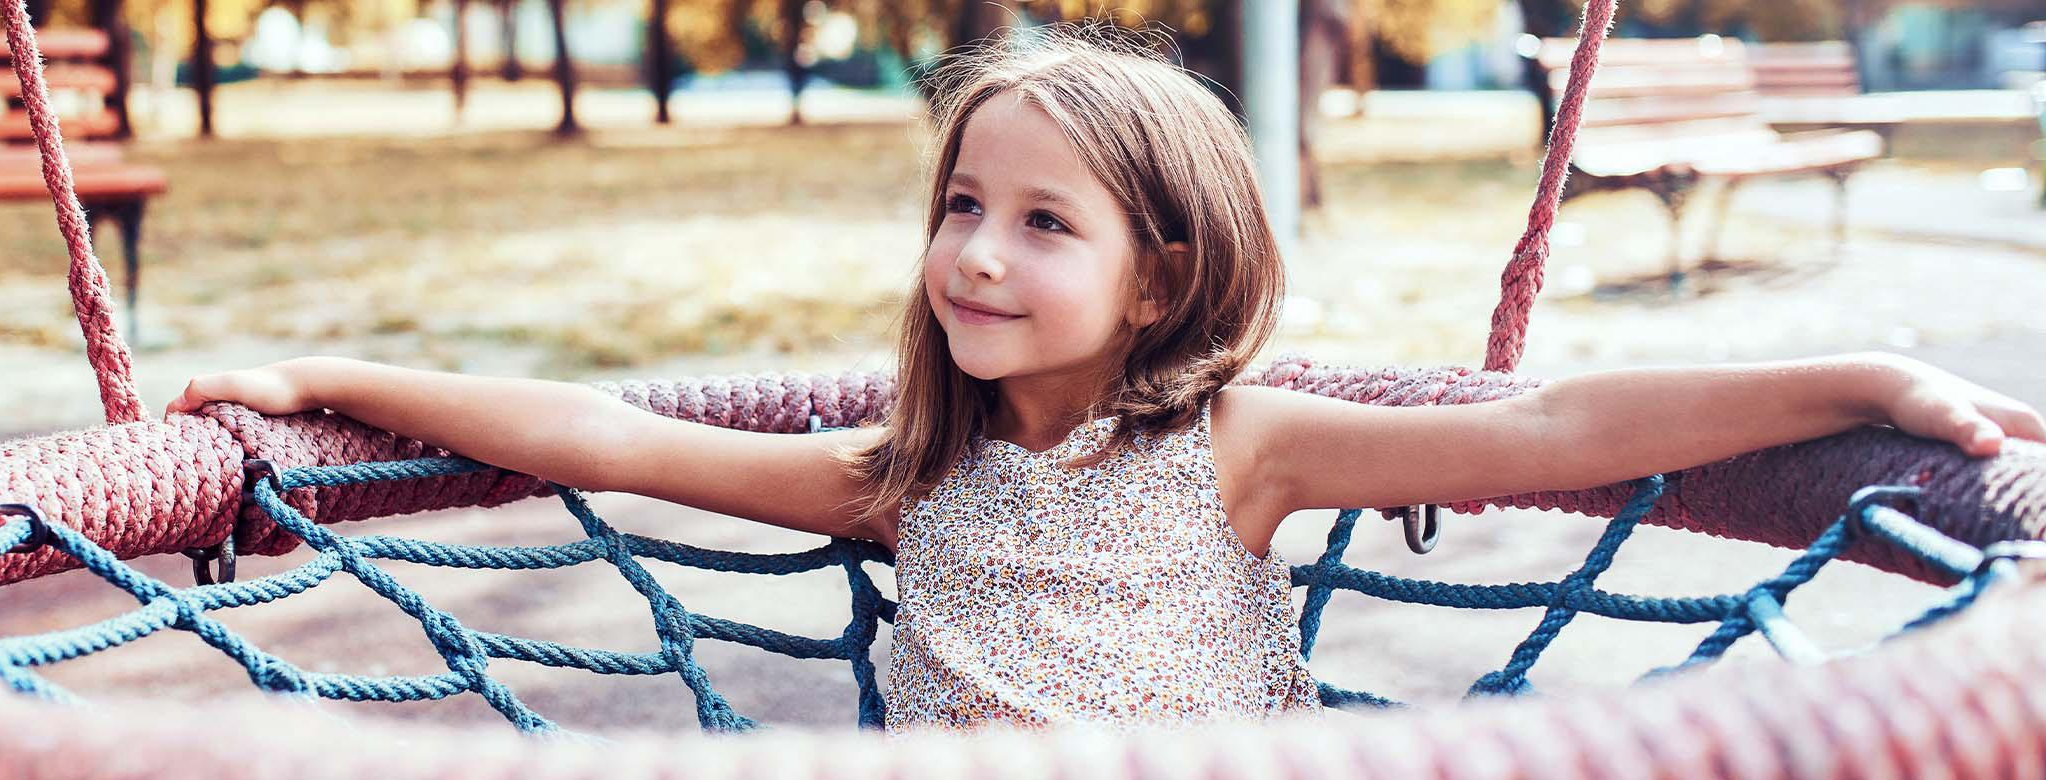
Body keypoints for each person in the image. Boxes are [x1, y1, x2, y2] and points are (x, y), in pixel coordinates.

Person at [164, 28, 2044, 733]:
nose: (978, 254)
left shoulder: (1244, 442)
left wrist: (1856, 369)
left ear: (1168, 271)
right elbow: (610, 437)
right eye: (963, 204)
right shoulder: (906, 473)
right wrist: (335, 372)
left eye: (1045, 225)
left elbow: (1552, 428)